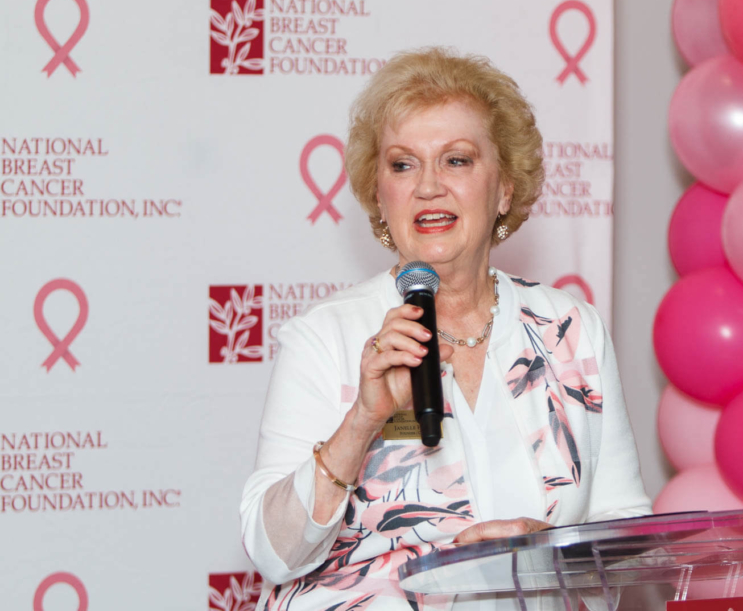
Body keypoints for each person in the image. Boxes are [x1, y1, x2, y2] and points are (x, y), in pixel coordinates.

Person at [240, 47, 651, 610]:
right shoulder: (327, 337)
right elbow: (272, 553)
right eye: (403, 165)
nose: (428, 185)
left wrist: (546, 554)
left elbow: (626, 532)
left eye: (456, 160)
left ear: (504, 188)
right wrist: (362, 422)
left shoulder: (570, 328)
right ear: (380, 199)